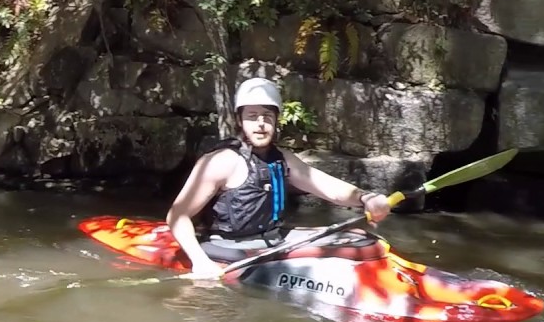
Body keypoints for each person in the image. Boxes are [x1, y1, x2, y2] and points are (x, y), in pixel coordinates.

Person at [165, 77, 393, 279]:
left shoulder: (281, 159)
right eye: (252, 116)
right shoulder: (221, 161)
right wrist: (200, 261)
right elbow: (177, 215)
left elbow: (325, 186)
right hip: (227, 246)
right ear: (240, 121)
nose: (261, 123)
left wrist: (365, 198)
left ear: (276, 120)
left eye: (267, 116)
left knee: (358, 237)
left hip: (272, 239)